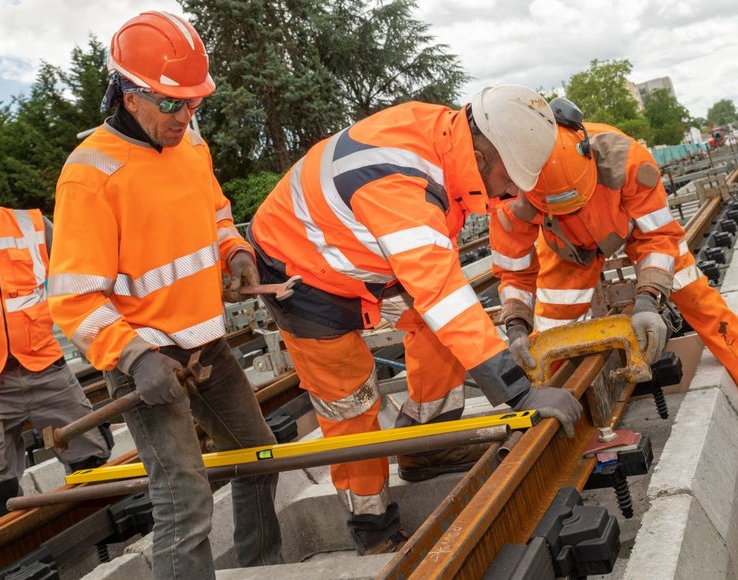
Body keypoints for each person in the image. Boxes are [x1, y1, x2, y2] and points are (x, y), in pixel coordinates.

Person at [247, 84, 583, 555]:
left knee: (440, 330)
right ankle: (374, 529)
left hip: (363, 252)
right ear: (486, 155)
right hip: (302, 273)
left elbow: (438, 286)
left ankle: (426, 447)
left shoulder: (446, 140)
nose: (513, 192)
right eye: (513, 179)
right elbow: (441, 291)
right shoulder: (397, 180)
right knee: (350, 401)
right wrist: (520, 393)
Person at [47, 11, 281, 577]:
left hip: (208, 347)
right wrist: (135, 358)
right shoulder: (90, 176)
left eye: (194, 102)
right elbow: (74, 299)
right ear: (130, 96)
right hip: (147, 364)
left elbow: (219, 213)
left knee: (260, 458)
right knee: (185, 504)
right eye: (174, 103)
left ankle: (258, 567)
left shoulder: (190, 146)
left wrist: (236, 253)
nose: (186, 116)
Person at [490, 98, 738, 475]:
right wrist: (516, 323)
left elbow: (660, 236)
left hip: (639, 231)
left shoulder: (625, 159)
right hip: (567, 251)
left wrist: (648, 300)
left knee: (705, 307)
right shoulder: (511, 193)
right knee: (549, 340)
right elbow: (514, 273)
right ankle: (556, 433)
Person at [0, 151, 111, 524]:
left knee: (90, 445)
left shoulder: (33, 227)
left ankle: (105, 525)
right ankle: (15, 550)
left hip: (45, 368)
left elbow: (83, 279)